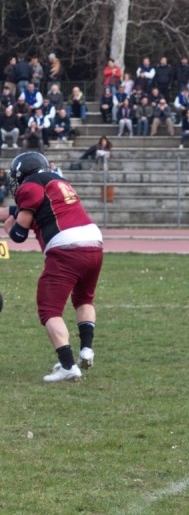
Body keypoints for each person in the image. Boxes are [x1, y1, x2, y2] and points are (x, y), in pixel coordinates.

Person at [0, 151, 103, 382]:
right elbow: (16, 211)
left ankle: (68, 366)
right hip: (94, 241)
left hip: (66, 246)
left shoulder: (30, 186)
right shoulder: (58, 182)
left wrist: (8, 228)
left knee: (49, 310)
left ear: (23, 173)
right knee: (84, 299)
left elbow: (18, 234)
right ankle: (86, 350)